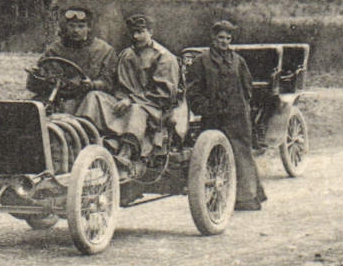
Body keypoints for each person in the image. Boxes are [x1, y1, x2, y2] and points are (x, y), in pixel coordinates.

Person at [69, 13, 179, 161]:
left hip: (151, 107)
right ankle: (83, 140)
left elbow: (164, 94)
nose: (135, 36)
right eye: (133, 32)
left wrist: (131, 100)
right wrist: (94, 84)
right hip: (121, 103)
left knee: (136, 110)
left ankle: (126, 154)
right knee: (94, 96)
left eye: (140, 32)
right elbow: (113, 82)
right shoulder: (126, 54)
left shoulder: (163, 57)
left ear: (150, 32)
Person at [183, 19, 267, 210]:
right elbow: (193, 91)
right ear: (213, 38)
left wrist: (242, 107)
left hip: (237, 118)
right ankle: (216, 199)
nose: (224, 42)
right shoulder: (201, 62)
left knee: (241, 155)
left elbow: (247, 87)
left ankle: (247, 198)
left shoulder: (238, 61)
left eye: (228, 38)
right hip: (213, 118)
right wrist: (205, 107)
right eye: (221, 37)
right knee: (214, 157)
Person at [29, 5, 115, 106]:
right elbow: (36, 84)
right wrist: (36, 75)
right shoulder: (54, 49)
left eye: (81, 26)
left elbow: (109, 82)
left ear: (89, 28)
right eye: (72, 25)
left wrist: (92, 84)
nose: (76, 30)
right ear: (66, 27)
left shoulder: (103, 50)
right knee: (34, 108)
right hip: (58, 98)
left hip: (87, 99)